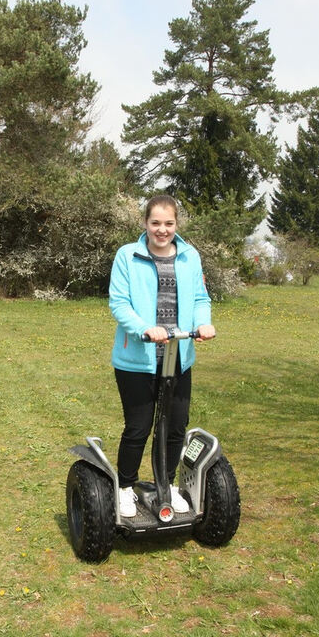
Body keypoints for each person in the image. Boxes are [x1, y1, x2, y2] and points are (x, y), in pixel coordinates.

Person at [109, 194, 216, 518]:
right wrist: (145, 327)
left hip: (178, 355)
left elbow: (200, 297)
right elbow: (119, 303)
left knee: (175, 427)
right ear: (145, 223)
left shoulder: (189, 256)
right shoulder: (128, 256)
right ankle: (126, 488)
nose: (162, 230)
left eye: (168, 223)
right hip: (138, 359)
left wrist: (203, 322)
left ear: (176, 225)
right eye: (155, 223)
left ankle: (165, 485)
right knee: (139, 427)